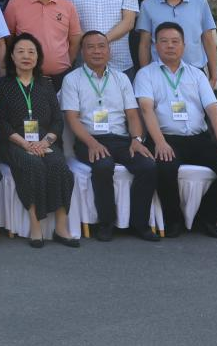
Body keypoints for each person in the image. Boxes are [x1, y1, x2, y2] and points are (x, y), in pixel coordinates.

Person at [135, 23, 217, 239]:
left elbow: (213, 110)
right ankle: (174, 220)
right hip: (166, 138)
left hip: (198, 139)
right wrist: (160, 142)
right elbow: (146, 110)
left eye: (175, 41)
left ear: (184, 46)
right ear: (155, 46)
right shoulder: (146, 74)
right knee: (164, 167)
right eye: (164, 41)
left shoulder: (197, 75)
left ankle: (206, 218)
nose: (170, 46)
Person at [60, 30, 159, 242]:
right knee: (103, 165)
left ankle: (139, 223)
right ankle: (106, 222)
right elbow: (72, 119)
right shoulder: (72, 79)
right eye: (91, 47)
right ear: (82, 52)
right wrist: (92, 143)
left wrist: (136, 139)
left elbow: (132, 114)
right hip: (89, 139)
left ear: (109, 50)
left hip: (121, 139)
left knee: (148, 166)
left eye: (101, 46)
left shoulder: (121, 78)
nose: (97, 51)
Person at [0, 35, 78, 247]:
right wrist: (25, 144)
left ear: (38, 57)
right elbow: (1, 122)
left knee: (59, 165)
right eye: (21, 51)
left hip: (44, 141)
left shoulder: (46, 85)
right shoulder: (2, 85)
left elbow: (57, 121)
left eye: (31, 52)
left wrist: (45, 143)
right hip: (14, 141)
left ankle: (61, 227)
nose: (26, 56)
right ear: (12, 56)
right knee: (33, 165)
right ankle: (35, 226)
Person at [136, 0, 217, 84]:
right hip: (160, 74)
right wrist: (145, 76)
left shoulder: (200, 3)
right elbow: (144, 44)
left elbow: (208, 40)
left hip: (195, 73)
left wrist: (213, 76)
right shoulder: (147, 5)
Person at [4, 0, 82, 84]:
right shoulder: (14, 5)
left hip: (61, 77)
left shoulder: (67, 6)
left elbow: (75, 40)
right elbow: (9, 40)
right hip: (26, 78)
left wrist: (66, 63)